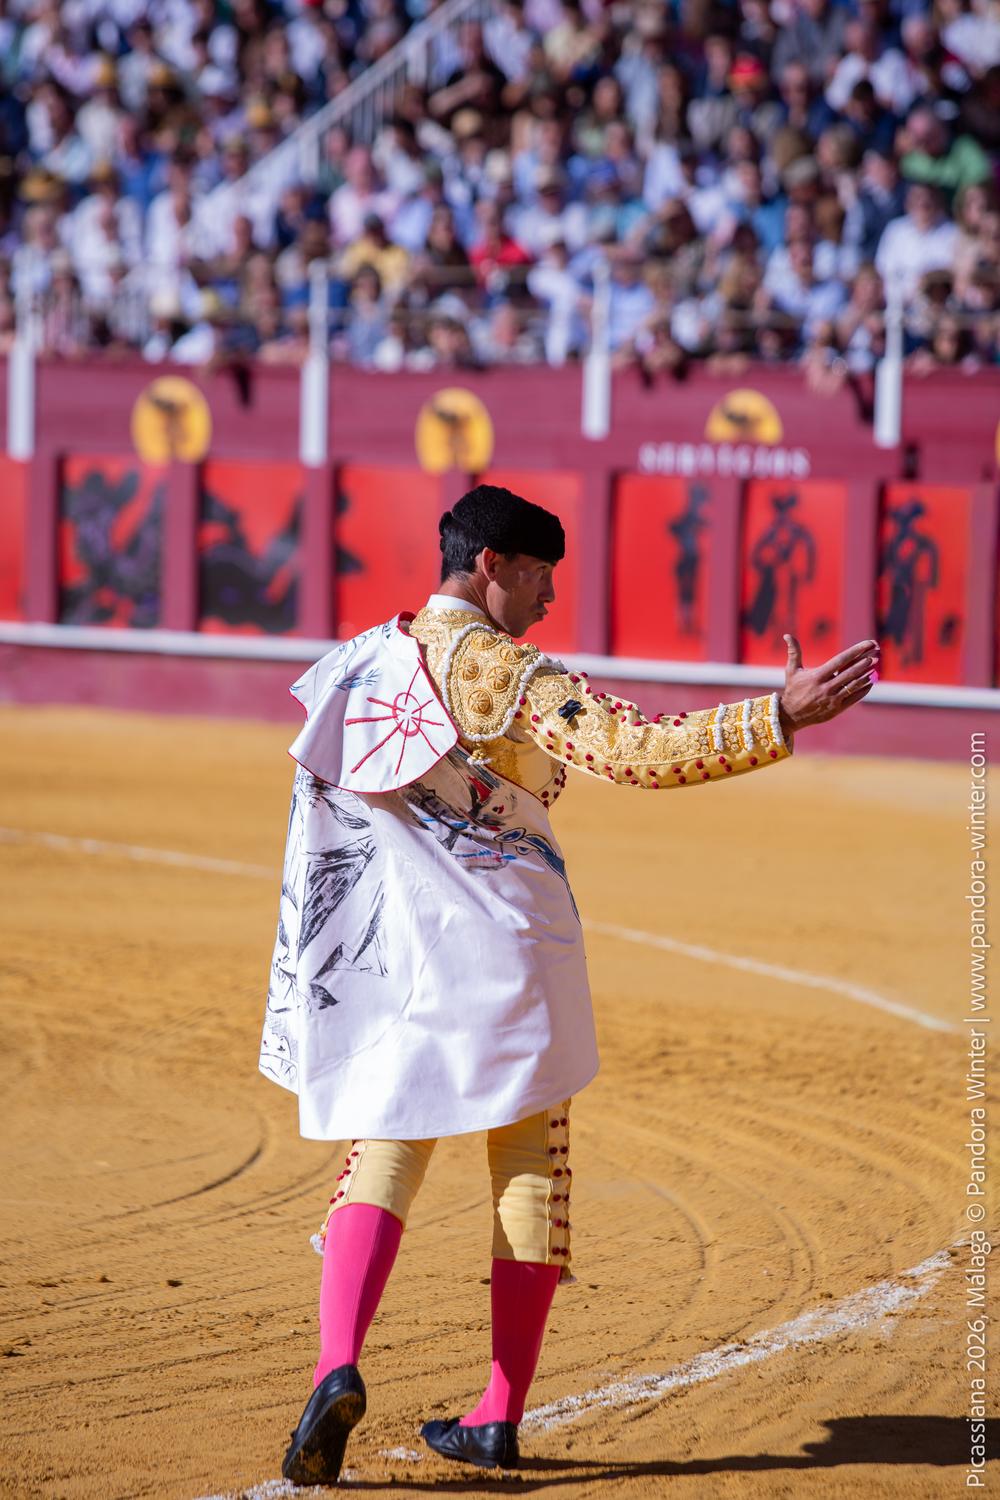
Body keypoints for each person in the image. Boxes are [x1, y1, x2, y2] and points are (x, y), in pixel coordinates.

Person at [261, 485, 879, 1485]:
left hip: (415, 957)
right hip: (516, 956)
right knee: (531, 1160)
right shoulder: (511, 675)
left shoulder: (362, 665)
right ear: (489, 567)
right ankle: (498, 1412)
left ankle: (337, 1366)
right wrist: (775, 715)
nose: (551, 596)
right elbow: (637, 749)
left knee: (385, 1150)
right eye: (540, 573)